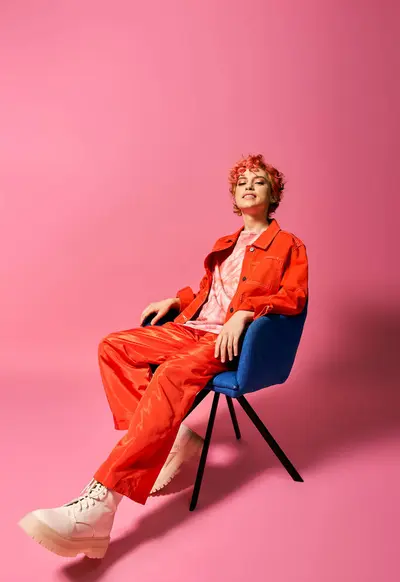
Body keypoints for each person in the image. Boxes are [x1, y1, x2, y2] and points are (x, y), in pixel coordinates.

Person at [18, 153, 308, 559]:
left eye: (258, 181)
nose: (248, 186)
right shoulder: (225, 244)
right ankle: (168, 437)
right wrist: (177, 298)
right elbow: (209, 293)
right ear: (234, 195)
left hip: (227, 342)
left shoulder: (288, 245)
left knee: (171, 375)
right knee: (114, 347)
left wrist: (245, 314)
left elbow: (294, 297)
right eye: (241, 181)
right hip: (191, 328)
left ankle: (100, 507)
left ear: (273, 193)